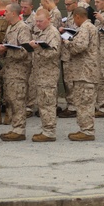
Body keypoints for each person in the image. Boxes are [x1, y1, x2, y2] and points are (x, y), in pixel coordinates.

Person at [62, 6, 99, 141]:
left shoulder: (85, 28)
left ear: (78, 16)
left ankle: (87, 131)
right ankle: (84, 129)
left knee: (85, 102)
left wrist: (67, 42)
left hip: (85, 72)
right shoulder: (88, 27)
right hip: (84, 72)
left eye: (74, 18)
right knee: (83, 101)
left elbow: (80, 46)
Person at [0, 3, 31, 141]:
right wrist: (2, 49)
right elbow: (7, 43)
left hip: (19, 71)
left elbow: (25, 50)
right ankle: (15, 127)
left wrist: (8, 49)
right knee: (12, 100)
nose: (4, 14)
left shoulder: (23, 28)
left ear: (14, 13)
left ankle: (19, 130)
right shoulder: (10, 27)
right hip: (10, 70)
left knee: (18, 100)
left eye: (7, 12)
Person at [28, 7, 62, 142]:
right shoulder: (42, 32)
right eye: (36, 21)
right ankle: (46, 129)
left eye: (40, 21)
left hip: (48, 75)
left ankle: (49, 132)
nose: (38, 24)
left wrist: (38, 48)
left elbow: (54, 53)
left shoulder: (52, 33)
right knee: (43, 103)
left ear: (49, 20)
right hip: (41, 74)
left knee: (47, 103)